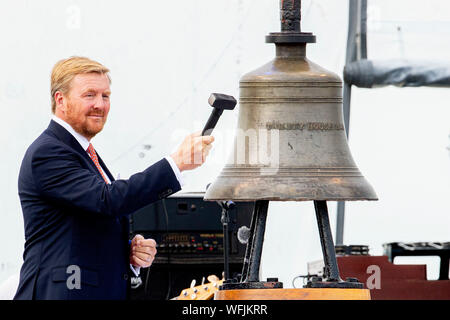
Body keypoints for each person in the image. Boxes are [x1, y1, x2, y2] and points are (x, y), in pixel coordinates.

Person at [14, 56, 214, 300]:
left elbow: (88, 221)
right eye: (90, 95)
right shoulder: (48, 152)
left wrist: (128, 254)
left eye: (105, 96)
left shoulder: (82, 152)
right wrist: (175, 164)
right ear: (61, 100)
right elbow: (106, 200)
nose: (100, 104)